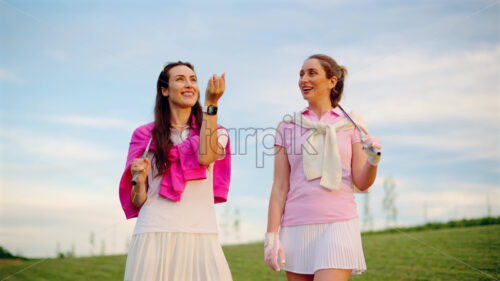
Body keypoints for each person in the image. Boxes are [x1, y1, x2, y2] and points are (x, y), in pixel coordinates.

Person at [265, 54, 382, 281]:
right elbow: (280, 186)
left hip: (339, 224)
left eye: (312, 73)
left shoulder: (351, 123)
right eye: (301, 74)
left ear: (332, 81)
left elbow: (362, 181)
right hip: (296, 226)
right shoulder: (287, 127)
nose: (303, 79)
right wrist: (271, 235)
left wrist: (372, 161)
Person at [119, 61, 233, 281]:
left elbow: (205, 156)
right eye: (180, 79)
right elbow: (137, 200)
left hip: (202, 234)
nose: (189, 84)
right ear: (164, 90)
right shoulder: (144, 135)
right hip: (154, 234)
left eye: (193, 79)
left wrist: (212, 104)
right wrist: (139, 180)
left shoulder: (217, 130)